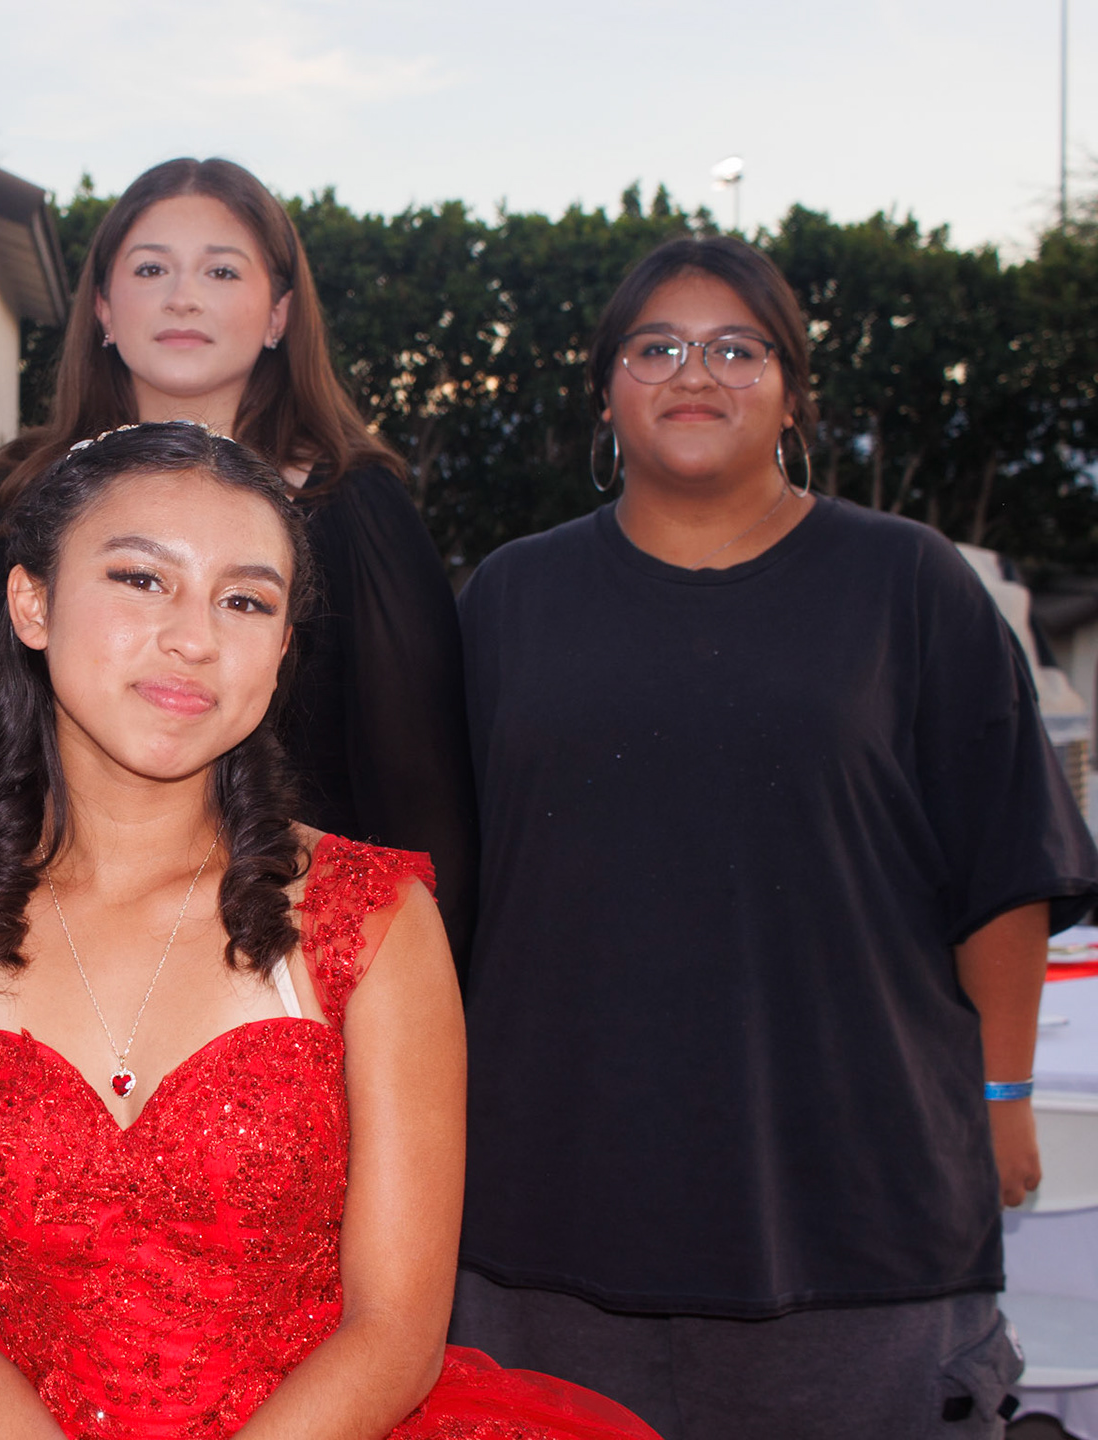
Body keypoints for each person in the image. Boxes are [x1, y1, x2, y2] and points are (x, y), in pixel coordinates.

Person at [0, 422, 656, 1440]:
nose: (194, 638)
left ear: (282, 650)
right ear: (31, 603)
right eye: (141, 579)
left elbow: (395, 1327)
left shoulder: (371, 918)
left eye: (245, 601)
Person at [449, 236, 1098, 1438]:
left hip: (859, 1212)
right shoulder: (509, 599)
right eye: (657, 347)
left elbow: (1004, 870)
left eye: (737, 349)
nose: (696, 373)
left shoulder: (908, 584)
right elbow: (442, 892)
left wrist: (1004, 1094)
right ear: (605, 392)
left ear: (792, 393)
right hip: (547, 1216)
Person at [0, 157, 473, 960]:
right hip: (46, 940)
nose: (183, 296)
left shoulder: (354, 506)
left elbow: (421, 785)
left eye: (222, 270)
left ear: (279, 314)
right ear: (103, 307)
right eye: (151, 268)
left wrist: (401, 975)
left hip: (291, 944)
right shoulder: (9, 500)